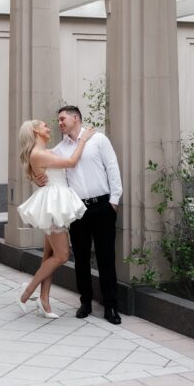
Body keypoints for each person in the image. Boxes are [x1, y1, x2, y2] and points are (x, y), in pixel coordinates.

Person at [40, 105, 123, 324]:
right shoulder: (59, 149)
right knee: (81, 259)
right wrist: (39, 178)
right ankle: (85, 302)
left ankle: (111, 307)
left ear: (76, 118)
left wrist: (114, 201)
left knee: (106, 257)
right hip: (78, 210)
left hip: (103, 206)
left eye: (62, 119)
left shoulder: (99, 140)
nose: (59, 123)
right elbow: (45, 167)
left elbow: (112, 168)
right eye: (58, 120)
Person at [17, 119, 95, 319]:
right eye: (44, 125)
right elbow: (70, 162)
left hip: (56, 203)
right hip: (53, 204)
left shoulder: (46, 151)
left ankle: (44, 301)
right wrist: (83, 140)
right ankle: (27, 292)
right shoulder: (38, 153)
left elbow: (50, 165)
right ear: (35, 130)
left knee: (48, 257)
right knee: (61, 255)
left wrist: (37, 176)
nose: (48, 128)